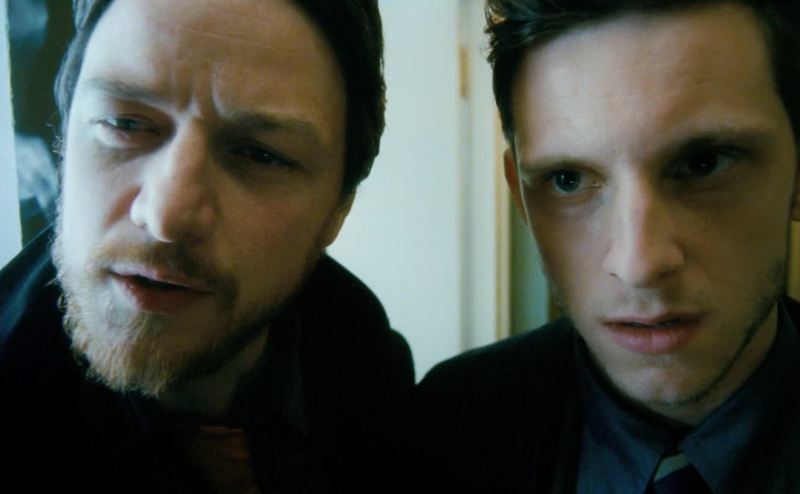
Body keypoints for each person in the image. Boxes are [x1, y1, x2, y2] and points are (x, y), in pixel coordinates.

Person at [0, 0, 414, 492]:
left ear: (337, 210)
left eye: (260, 154)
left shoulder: (371, 367)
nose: (166, 217)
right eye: (124, 123)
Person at [416, 1, 800, 492]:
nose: (639, 264)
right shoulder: (439, 431)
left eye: (702, 164)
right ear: (520, 197)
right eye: (568, 179)